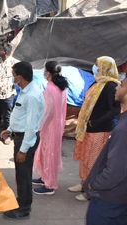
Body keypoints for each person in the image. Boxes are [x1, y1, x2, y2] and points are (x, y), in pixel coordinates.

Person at [69, 56, 121, 201]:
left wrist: (95, 122)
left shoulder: (111, 85)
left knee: (94, 161)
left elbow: (114, 110)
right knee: (85, 158)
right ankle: (84, 183)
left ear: (106, 67)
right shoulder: (97, 83)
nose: (95, 67)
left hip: (100, 129)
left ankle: (90, 191)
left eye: (98, 65)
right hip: (88, 128)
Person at [0, 61, 44, 219]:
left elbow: (32, 126)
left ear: (20, 77)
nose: (12, 78)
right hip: (20, 136)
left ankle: (24, 208)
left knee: (23, 175)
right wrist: (10, 130)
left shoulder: (32, 95)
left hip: (26, 139)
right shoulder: (26, 90)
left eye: (13, 75)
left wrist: (23, 150)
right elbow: (21, 116)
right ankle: (21, 200)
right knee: (20, 174)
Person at [84, 77, 127, 225]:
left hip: (109, 201)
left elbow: (115, 171)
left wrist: (94, 184)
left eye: (121, 85)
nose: (116, 88)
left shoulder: (123, 129)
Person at [32, 61, 68, 195]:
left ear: (48, 72)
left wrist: (40, 126)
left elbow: (48, 111)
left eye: (45, 70)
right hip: (56, 125)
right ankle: (44, 177)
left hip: (50, 126)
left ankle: (50, 185)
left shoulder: (51, 88)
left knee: (49, 154)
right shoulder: (61, 86)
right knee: (46, 152)